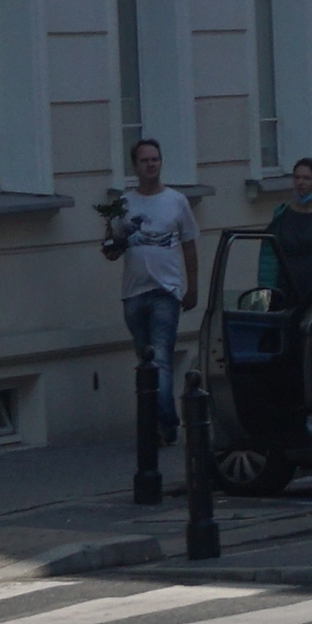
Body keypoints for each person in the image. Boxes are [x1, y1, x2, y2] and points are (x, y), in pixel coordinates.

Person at [101, 137, 201, 444]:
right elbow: (111, 249)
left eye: (155, 159)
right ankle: (159, 418)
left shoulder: (176, 201)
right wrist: (112, 241)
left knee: (160, 358)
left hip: (165, 290)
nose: (151, 165)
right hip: (133, 291)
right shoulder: (126, 204)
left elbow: (189, 246)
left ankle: (163, 425)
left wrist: (192, 287)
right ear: (135, 166)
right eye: (145, 160)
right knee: (145, 360)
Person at [256, 156, 312, 302]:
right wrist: (265, 295)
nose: (301, 183)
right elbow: (269, 259)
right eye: (297, 178)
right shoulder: (282, 213)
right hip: (285, 295)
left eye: (307, 178)